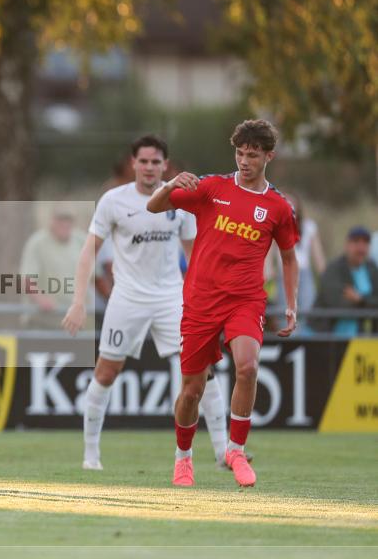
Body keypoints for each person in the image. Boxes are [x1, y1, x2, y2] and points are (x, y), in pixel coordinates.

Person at [146, 119, 299, 488]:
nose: (244, 161)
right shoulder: (212, 188)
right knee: (192, 390)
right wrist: (171, 182)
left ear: (268, 156)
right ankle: (183, 458)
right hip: (201, 299)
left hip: (245, 300)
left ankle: (235, 449)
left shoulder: (278, 207)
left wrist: (292, 305)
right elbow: (154, 206)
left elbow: (289, 257)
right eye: (240, 153)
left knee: (247, 367)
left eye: (252, 155)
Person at [62, 135, 229, 471]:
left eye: (156, 162)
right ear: (133, 164)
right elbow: (88, 252)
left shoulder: (179, 199)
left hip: (171, 297)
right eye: (144, 161)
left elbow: (194, 254)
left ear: (165, 165)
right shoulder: (113, 200)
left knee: (201, 371)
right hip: (127, 298)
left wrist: (206, 300)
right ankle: (90, 457)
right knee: (106, 373)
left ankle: (224, 451)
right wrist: (78, 301)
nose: (150, 167)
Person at [265, 193, 325, 329]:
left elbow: (318, 256)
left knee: (307, 308)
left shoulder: (309, 226)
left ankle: (303, 342)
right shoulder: (276, 226)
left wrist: (324, 276)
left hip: (304, 273)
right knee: (284, 310)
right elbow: (270, 252)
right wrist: (268, 271)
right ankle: (288, 342)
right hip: (284, 274)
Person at [20, 207, 87, 329]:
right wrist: (40, 298)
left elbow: (94, 276)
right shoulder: (37, 243)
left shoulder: (81, 240)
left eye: (68, 220)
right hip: (42, 321)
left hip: (73, 321)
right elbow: (26, 279)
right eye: (60, 220)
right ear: (52, 221)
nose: (64, 224)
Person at [311, 226, 378, 334]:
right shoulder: (333, 269)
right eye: (356, 242)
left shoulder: (372, 269)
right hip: (326, 335)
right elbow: (335, 303)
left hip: (358, 337)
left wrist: (360, 300)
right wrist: (368, 305)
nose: (361, 248)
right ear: (347, 244)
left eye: (365, 243)